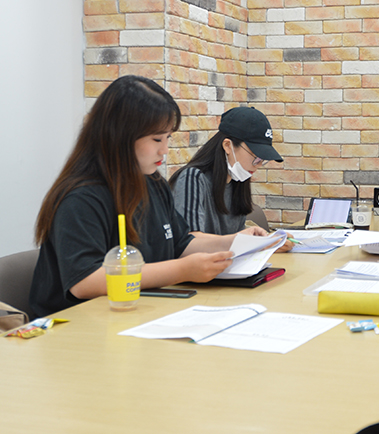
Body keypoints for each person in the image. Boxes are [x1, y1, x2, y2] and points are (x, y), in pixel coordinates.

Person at [29, 75, 273, 317]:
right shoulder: (82, 197)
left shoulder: (153, 183)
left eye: (167, 138)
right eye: (157, 139)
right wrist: (181, 270)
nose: (164, 150)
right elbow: (85, 281)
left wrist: (233, 242)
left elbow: (181, 244)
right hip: (79, 324)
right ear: (119, 135)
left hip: (139, 314)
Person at [169, 107, 291, 254]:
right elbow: (189, 241)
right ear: (227, 146)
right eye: (256, 157)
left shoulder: (237, 183)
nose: (258, 165)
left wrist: (267, 242)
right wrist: (249, 242)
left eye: (263, 160)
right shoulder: (193, 179)